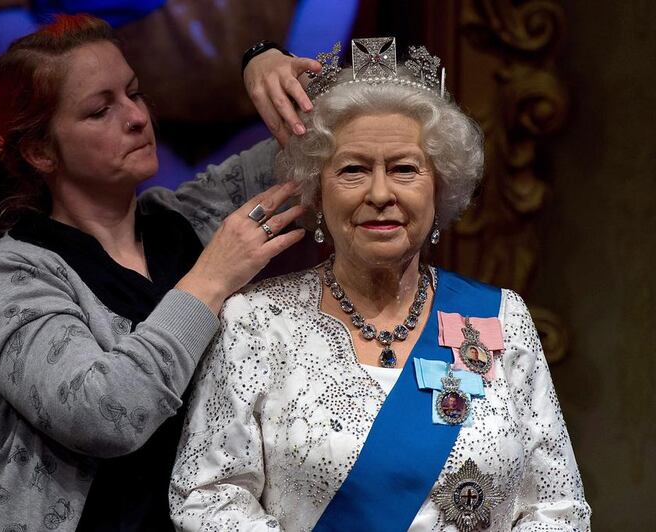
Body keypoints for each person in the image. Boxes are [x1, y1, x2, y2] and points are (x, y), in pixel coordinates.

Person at [170, 38, 591, 531]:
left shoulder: (501, 317)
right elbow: (209, 498)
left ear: (440, 185)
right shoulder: (256, 321)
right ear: (316, 190)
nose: (380, 193)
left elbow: (559, 506)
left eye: (404, 169)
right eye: (353, 170)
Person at [0, 14, 321, 531]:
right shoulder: (13, 274)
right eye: (100, 110)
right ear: (40, 151)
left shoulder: (189, 219)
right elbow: (103, 415)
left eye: (134, 93)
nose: (135, 117)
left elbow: (336, 140)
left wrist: (263, 62)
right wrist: (211, 280)